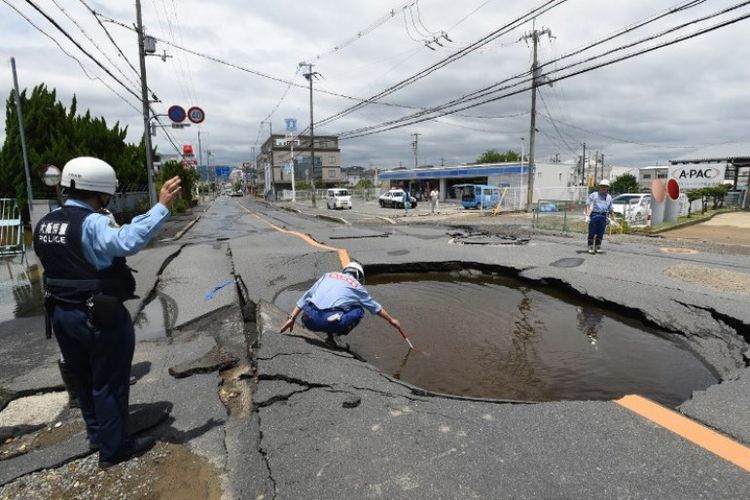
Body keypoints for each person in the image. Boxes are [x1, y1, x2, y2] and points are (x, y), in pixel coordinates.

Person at [34, 156, 182, 469]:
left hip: (61, 313)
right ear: (101, 191)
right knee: (109, 381)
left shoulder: (47, 223)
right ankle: (115, 448)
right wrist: (162, 207)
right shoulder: (92, 223)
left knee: (84, 379)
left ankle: (98, 434)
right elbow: (127, 240)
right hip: (97, 314)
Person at [279, 261, 406, 345]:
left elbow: (306, 296)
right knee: (359, 309)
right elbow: (375, 308)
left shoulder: (328, 275)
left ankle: (330, 335)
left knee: (333, 305)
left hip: (307, 318)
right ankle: (334, 332)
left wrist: (292, 318)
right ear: (359, 276)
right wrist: (391, 320)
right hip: (325, 321)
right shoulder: (357, 286)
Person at [584, 179, 613, 254]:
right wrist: (587, 216)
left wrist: (612, 218)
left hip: (603, 216)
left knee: (600, 232)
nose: (603, 188)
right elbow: (587, 204)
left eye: (605, 186)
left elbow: (610, 208)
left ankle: (597, 247)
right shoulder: (594, 195)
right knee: (592, 232)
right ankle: (590, 247)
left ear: (607, 188)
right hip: (594, 215)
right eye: (602, 186)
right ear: (599, 187)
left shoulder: (609, 197)